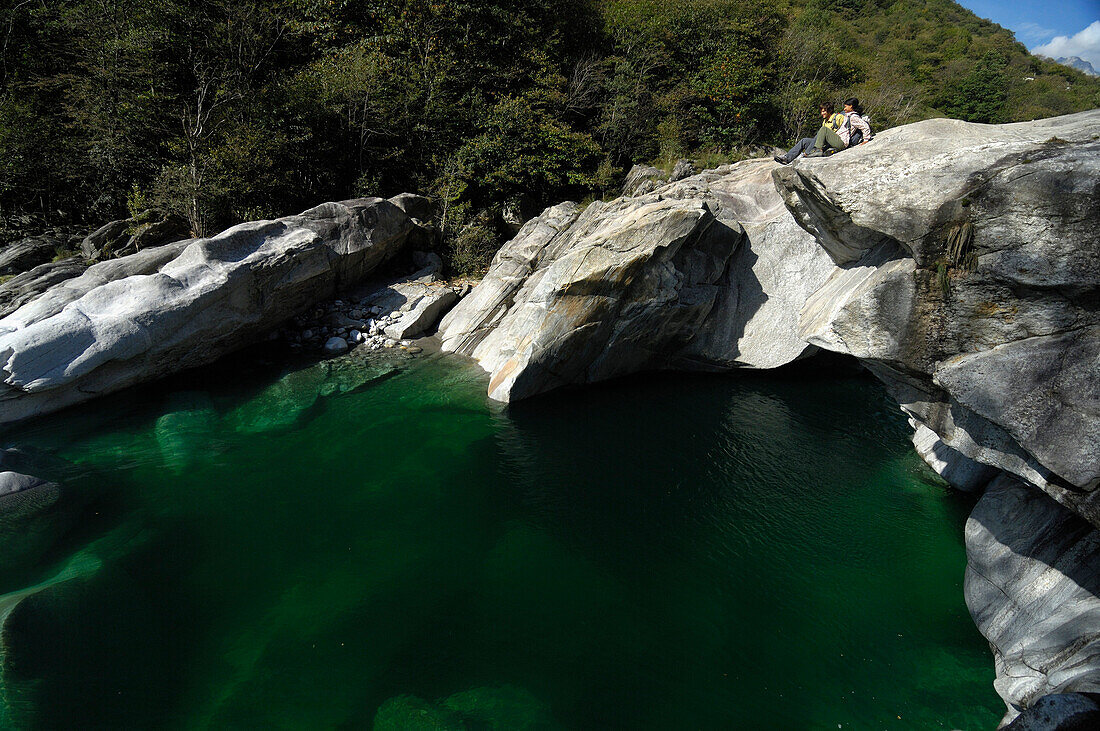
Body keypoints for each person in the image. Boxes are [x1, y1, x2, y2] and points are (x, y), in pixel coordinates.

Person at [774, 103, 846, 165]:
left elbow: (844, 130)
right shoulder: (825, 121)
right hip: (824, 142)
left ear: (829, 110)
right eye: (821, 111)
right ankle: (787, 158)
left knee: (822, 130)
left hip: (834, 141)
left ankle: (806, 154)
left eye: (824, 111)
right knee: (804, 141)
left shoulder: (838, 117)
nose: (822, 113)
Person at [802, 97, 871, 157]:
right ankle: (818, 150)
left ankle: (817, 150)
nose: (844, 109)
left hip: (842, 142)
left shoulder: (853, 117)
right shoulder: (848, 115)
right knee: (810, 139)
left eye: (846, 106)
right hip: (839, 139)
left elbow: (864, 126)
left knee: (824, 129)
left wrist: (866, 139)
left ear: (851, 106)